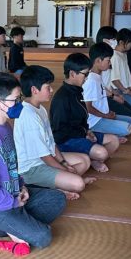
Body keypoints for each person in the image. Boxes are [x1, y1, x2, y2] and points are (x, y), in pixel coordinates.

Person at [0, 72, 67, 256]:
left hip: (12, 193)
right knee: (43, 237)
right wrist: (13, 202)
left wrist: (21, 187)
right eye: (15, 100)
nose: (20, 104)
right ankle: (15, 227)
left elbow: (11, 166)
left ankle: (18, 224)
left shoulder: (5, 126)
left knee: (58, 198)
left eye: (20, 99)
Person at [14, 65, 94, 200]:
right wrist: (65, 169)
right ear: (34, 90)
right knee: (79, 184)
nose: (51, 90)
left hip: (46, 158)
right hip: (32, 169)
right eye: (48, 87)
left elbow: (51, 142)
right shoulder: (28, 115)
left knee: (85, 161)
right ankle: (46, 187)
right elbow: (44, 156)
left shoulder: (40, 109)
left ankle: (61, 183)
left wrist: (63, 163)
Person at [50, 53, 119, 173]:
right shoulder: (62, 98)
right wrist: (84, 134)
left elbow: (82, 118)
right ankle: (88, 158)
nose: (87, 78)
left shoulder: (77, 90)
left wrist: (88, 131)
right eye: (85, 74)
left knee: (114, 141)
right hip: (66, 140)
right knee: (102, 153)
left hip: (81, 133)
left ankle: (93, 160)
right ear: (72, 74)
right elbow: (59, 130)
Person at [84, 43, 131, 138]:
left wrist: (109, 111)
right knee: (126, 128)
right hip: (94, 121)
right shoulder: (91, 80)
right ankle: (96, 134)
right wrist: (106, 115)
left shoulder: (97, 76)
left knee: (130, 121)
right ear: (98, 60)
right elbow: (88, 108)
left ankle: (109, 134)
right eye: (108, 60)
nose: (110, 63)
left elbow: (104, 92)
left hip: (103, 116)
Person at [95, 26, 131, 119]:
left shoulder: (109, 57)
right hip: (102, 98)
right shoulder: (100, 62)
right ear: (105, 41)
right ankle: (105, 114)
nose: (116, 41)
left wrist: (116, 93)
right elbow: (99, 87)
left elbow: (108, 83)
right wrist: (114, 96)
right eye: (114, 39)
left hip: (110, 94)